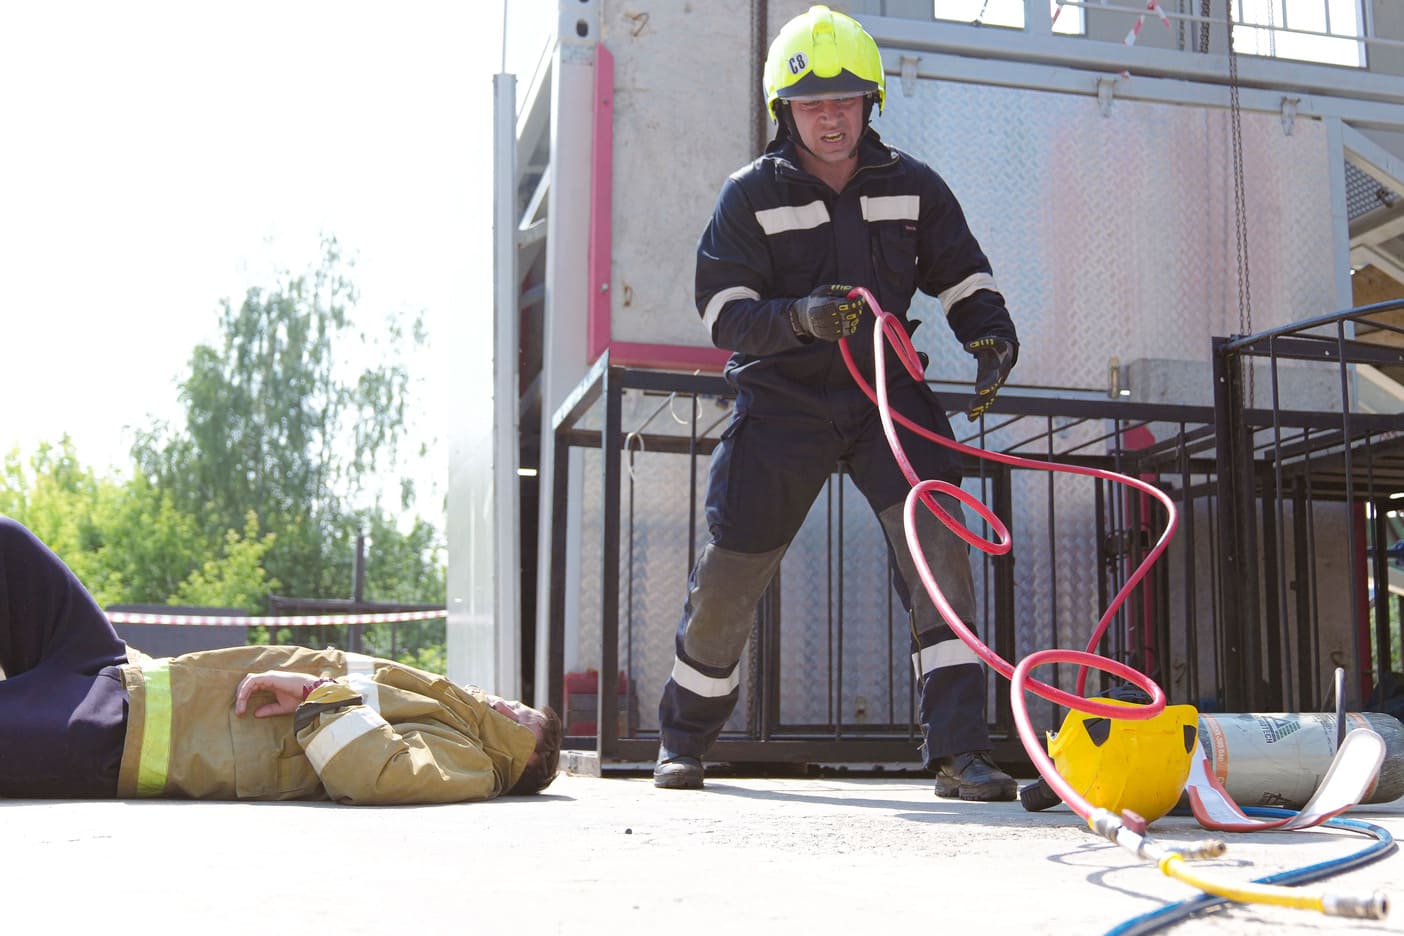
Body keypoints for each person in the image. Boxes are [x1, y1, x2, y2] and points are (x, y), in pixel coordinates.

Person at [654, 5, 1020, 800]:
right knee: (730, 571)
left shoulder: (914, 185)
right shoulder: (748, 195)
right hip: (781, 401)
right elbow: (722, 314)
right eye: (813, 102)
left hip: (889, 395)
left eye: (846, 100)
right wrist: (797, 319)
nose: (831, 116)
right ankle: (684, 741)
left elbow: (963, 276)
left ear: (871, 102)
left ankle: (961, 753)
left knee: (940, 551)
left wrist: (991, 338)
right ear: (783, 109)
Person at [0, 515, 561, 804]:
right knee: (9, 546)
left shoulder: (473, 764)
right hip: (122, 672)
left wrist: (317, 697)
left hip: (121, 737)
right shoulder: (446, 702)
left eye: (520, 720)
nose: (507, 706)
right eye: (518, 704)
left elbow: (382, 774)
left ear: (520, 758)